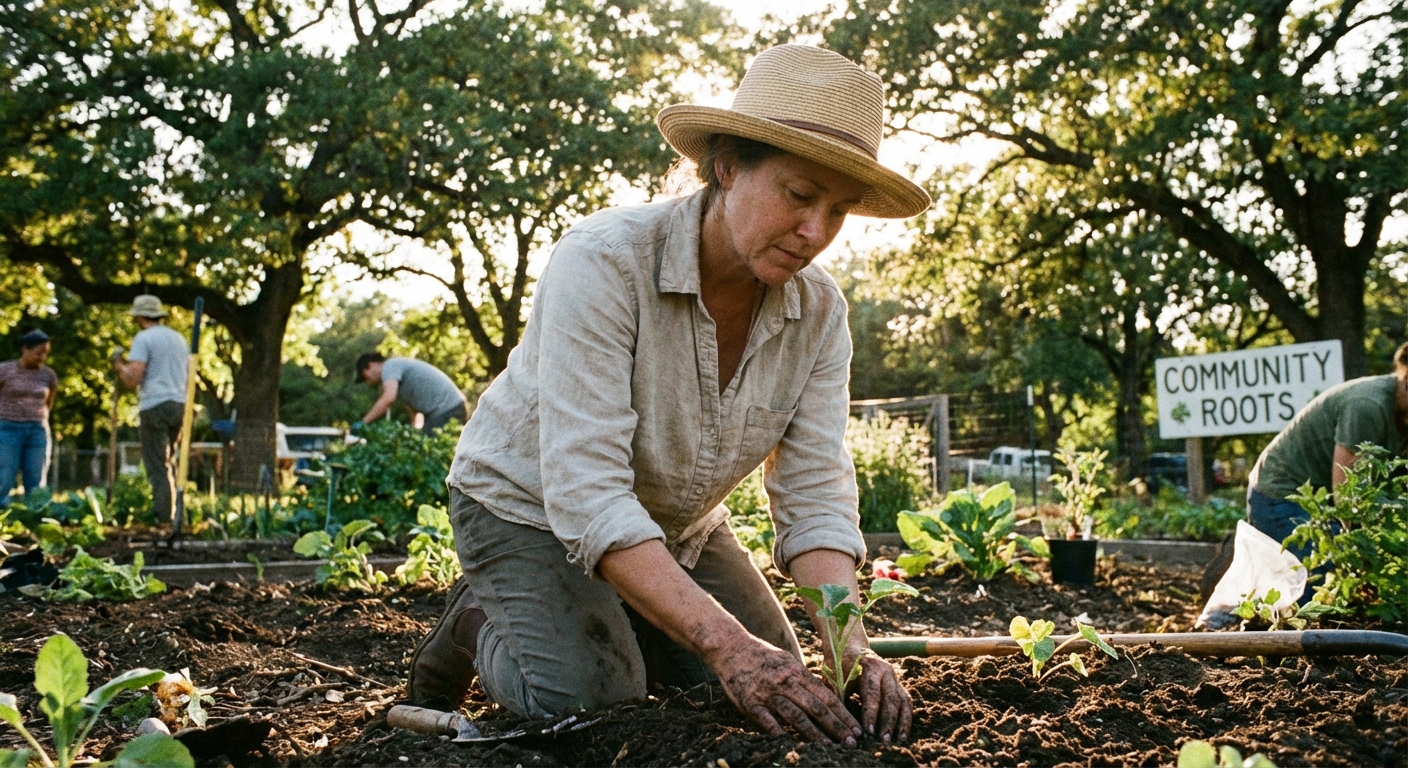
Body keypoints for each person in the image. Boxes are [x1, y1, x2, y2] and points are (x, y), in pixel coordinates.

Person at [405, 45, 931, 746]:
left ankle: (620, 621)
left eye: (838, 211)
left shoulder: (820, 314)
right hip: (525, 506)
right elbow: (588, 493)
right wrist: (726, 643)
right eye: (800, 196)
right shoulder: (604, 262)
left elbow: (814, 496)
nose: (815, 234)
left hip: (675, 526)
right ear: (726, 167)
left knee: (780, 690)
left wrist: (852, 647)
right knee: (598, 701)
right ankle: (480, 620)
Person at [1246, 341, 1408, 555]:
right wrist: (1362, 555)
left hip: (1322, 502)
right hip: (1281, 495)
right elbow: (1346, 495)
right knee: (1327, 569)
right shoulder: (1366, 406)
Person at [113, 295, 189, 526]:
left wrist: (118, 363)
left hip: (155, 405)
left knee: (157, 464)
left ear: (138, 316)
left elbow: (132, 379)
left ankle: (164, 518)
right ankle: (179, 515)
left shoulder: (144, 339)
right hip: (180, 404)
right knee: (172, 461)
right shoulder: (178, 338)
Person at [0, 330, 58, 505]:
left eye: (45, 353)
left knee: (36, 475)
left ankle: (35, 515)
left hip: (37, 430)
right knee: (5, 475)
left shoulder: (48, 375)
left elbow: (49, 402)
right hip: (8, 429)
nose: (42, 357)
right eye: (38, 352)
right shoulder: (4, 370)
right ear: (25, 349)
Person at [353, 354, 468, 434]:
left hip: (447, 409)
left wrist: (363, 423)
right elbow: (415, 415)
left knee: (429, 453)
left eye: (365, 378)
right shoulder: (398, 383)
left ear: (370, 365)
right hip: (449, 409)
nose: (368, 383)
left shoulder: (389, 367)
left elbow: (388, 399)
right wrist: (414, 435)